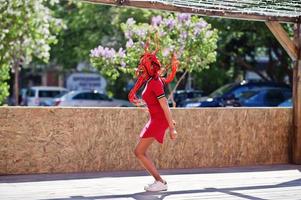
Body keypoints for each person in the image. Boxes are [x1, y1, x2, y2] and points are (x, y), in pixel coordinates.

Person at [128, 39, 179, 192]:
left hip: (158, 121)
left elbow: (165, 106)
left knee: (139, 152)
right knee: (139, 152)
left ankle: (160, 182)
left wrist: (171, 128)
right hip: (155, 119)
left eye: (144, 65)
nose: (141, 68)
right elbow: (155, 104)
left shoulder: (155, 83)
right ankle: (159, 181)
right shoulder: (150, 81)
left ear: (150, 67)